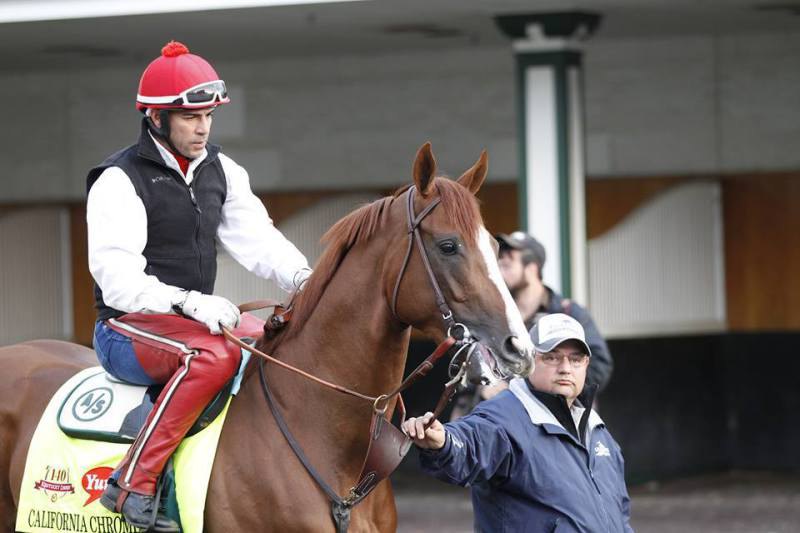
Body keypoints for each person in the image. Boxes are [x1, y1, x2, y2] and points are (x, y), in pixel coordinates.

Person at [86, 41, 311, 531]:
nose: (203, 126)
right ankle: (133, 483)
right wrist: (188, 301)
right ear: (156, 118)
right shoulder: (118, 180)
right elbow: (118, 282)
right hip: (127, 329)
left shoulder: (222, 170)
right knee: (214, 356)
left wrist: (307, 280)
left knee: (272, 343)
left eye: (208, 114)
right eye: (190, 117)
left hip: (191, 321)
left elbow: (259, 242)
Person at [403, 314, 633, 533]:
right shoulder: (504, 416)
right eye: (552, 357)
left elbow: (620, 514)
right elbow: (469, 444)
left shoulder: (598, 430)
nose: (565, 368)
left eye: (575, 359)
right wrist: (444, 442)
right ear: (529, 359)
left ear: (586, 364)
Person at [496, 231, 613, 393]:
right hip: (501, 415)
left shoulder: (569, 313)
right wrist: (482, 388)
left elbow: (600, 366)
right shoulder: (495, 316)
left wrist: (559, 396)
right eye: (498, 263)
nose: (499, 272)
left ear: (531, 269)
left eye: (507, 265)